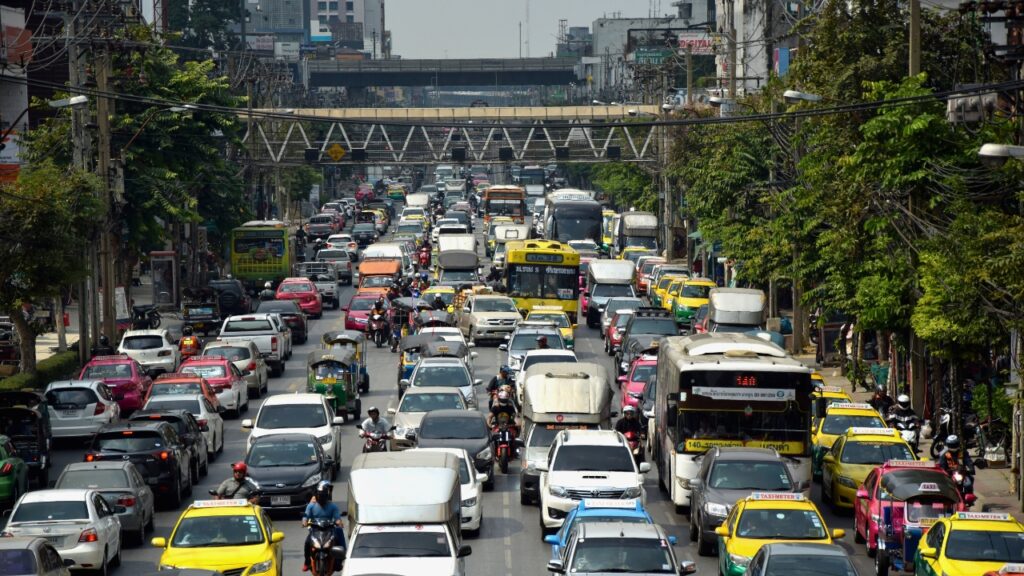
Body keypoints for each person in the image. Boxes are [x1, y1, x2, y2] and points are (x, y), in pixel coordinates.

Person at [302, 480, 345, 572]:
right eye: (320, 495)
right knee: (307, 542)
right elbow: (306, 516)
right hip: (315, 530)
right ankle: (307, 562)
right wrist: (304, 521)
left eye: (323, 495)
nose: (321, 498)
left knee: (337, 540)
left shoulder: (333, 506)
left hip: (329, 530)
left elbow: (337, 518)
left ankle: (338, 561)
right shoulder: (311, 506)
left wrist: (339, 522)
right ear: (317, 495)